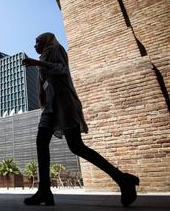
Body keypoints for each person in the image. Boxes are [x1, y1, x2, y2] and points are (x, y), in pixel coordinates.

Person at [21, 32, 139, 207]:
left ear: (46, 41)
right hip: (51, 107)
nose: (34, 45)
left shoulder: (56, 49)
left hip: (64, 102)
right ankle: (44, 191)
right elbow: (46, 83)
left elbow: (62, 69)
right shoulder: (44, 59)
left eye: (37, 41)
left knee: (76, 146)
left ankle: (122, 179)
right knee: (41, 142)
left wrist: (37, 62)